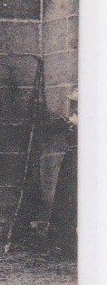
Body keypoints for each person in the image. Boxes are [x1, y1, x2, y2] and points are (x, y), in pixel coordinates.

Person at [48, 88, 78, 257]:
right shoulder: (72, 119)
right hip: (72, 160)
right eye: (73, 103)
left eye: (76, 103)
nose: (74, 106)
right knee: (66, 199)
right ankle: (65, 243)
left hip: (84, 159)